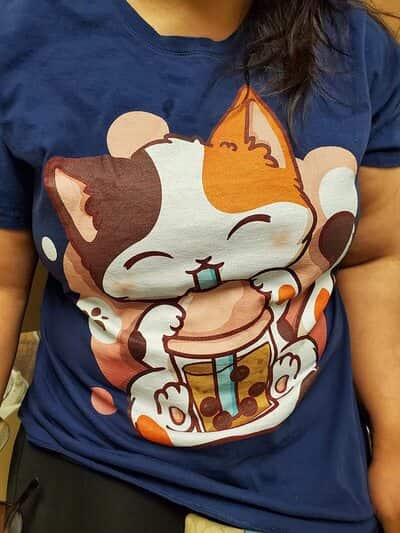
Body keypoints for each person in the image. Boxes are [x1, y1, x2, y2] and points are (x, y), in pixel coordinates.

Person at [0, 0, 399, 531]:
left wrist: (394, 437)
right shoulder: (20, 34)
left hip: (311, 471)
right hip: (97, 452)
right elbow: (4, 284)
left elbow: (376, 256)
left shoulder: (356, 46)